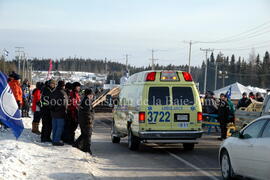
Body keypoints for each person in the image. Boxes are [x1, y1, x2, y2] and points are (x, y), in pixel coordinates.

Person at [73, 89, 95, 155]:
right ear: (88, 95)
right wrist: (90, 121)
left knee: (84, 134)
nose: (92, 96)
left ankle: (77, 145)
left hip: (83, 120)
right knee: (88, 135)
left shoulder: (85, 100)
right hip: (86, 121)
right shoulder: (87, 101)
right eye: (91, 95)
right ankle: (86, 149)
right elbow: (87, 112)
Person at [50, 80, 68, 146]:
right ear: (63, 86)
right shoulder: (63, 93)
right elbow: (64, 104)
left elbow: (50, 101)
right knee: (59, 127)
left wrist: (53, 109)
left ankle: (54, 139)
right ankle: (56, 140)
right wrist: (65, 110)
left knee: (54, 127)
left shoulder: (53, 92)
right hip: (60, 113)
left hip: (53, 112)